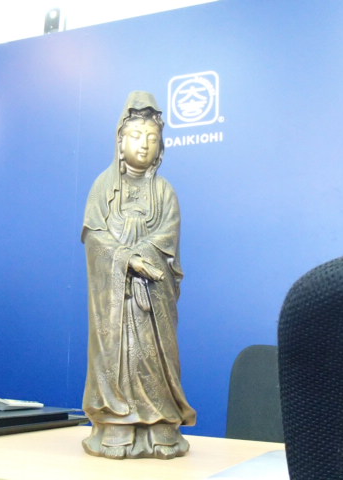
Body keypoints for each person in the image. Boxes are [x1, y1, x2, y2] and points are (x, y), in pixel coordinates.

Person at [81, 91, 196, 460]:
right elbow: (94, 237)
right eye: (135, 136)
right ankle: (116, 423)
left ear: (161, 147)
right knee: (119, 354)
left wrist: (144, 256)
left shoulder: (164, 191)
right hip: (116, 300)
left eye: (151, 138)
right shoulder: (103, 187)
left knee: (152, 356)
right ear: (120, 141)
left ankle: (161, 423)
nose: (143, 144)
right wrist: (126, 259)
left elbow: (167, 238)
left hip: (153, 300)